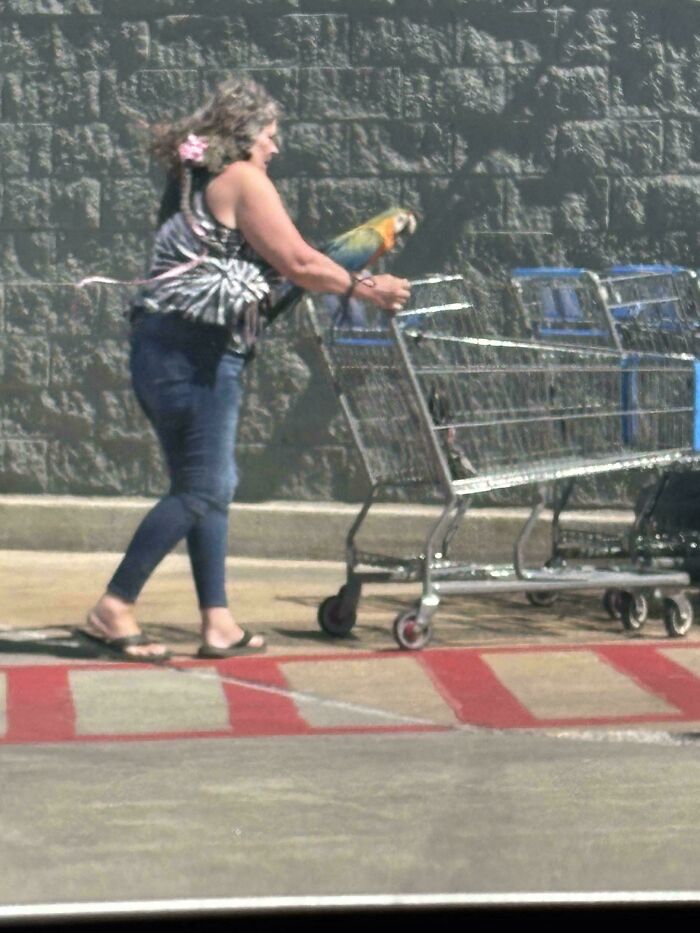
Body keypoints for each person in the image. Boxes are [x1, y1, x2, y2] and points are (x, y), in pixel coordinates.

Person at [81, 77, 411, 661]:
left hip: (162, 347)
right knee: (206, 485)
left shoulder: (199, 177)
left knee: (210, 486)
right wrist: (369, 289)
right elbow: (300, 262)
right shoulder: (243, 179)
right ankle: (115, 605)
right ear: (248, 135)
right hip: (199, 354)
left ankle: (218, 622)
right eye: (272, 135)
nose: (276, 148)